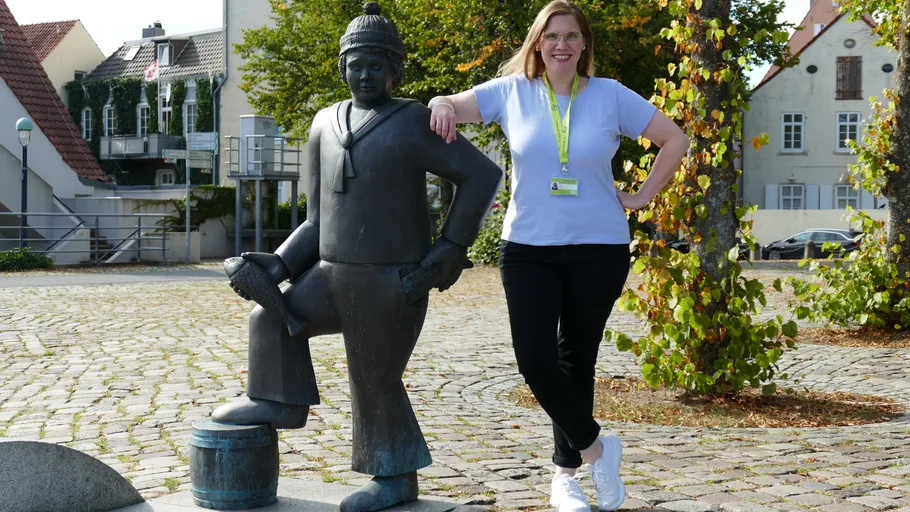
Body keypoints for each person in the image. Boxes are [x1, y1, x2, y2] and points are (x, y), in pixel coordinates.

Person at [212, 3, 502, 512]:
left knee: (373, 377)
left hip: (391, 280)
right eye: (355, 64)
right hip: (329, 273)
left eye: (376, 65)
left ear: (395, 70)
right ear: (341, 66)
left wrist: (450, 248)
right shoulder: (323, 122)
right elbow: (316, 220)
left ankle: (394, 476)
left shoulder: (414, 121)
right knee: (269, 320)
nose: (364, 74)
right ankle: (280, 400)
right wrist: (276, 268)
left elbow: (479, 175)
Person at [426, 1, 689, 510]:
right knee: (535, 360)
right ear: (537, 44)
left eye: (570, 35)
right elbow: (452, 105)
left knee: (578, 362)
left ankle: (564, 478)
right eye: (551, 36)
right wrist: (440, 102)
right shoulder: (512, 92)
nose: (561, 45)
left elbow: (674, 139)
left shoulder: (611, 95)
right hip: (529, 247)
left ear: (584, 43)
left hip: (599, 247)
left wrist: (640, 198)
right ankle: (597, 450)